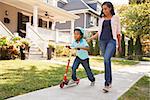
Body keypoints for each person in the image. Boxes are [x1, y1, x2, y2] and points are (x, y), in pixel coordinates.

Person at [87, 2, 122, 92]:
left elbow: (118, 33)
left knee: (106, 59)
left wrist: (119, 45)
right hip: (102, 41)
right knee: (106, 61)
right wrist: (91, 38)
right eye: (103, 9)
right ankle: (109, 81)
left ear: (110, 8)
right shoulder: (101, 19)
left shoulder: (116, 18)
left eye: (105, 8)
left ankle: (107, 83)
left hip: (112, 41)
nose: (104, 10)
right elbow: (99, 31)